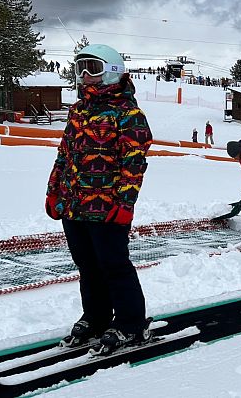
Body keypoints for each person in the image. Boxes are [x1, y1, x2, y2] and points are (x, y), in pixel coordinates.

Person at [46, 44, 153, 355]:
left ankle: (131, 323)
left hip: (107, 207)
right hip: (73, 204)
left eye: (92, 67)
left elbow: (134, 165)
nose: (85, 76)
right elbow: (64, 156)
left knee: (114, 265)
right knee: (87, 266)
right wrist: (54, 191)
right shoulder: (78, 111)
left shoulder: (129, 115)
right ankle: (96, 317)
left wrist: (124, 204)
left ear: (113, 71)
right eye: (80, 68)